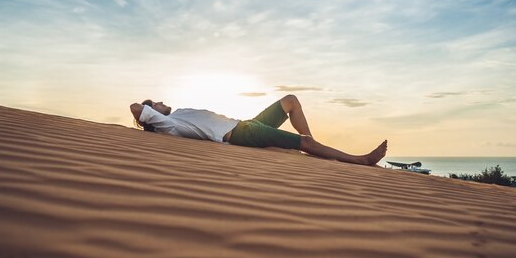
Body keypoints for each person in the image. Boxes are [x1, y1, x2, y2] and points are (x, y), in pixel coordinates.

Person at [130, 94, 387, 166]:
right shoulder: (168, 124)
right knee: (304, 144)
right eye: (157, 103)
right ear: (153, 115)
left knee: (290, 101)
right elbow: (136, 108)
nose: (162, 102)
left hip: (245, 124)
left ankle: (311, 143)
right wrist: (147, 110)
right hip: (243, 134)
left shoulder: (176, 115)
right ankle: (361, 160)